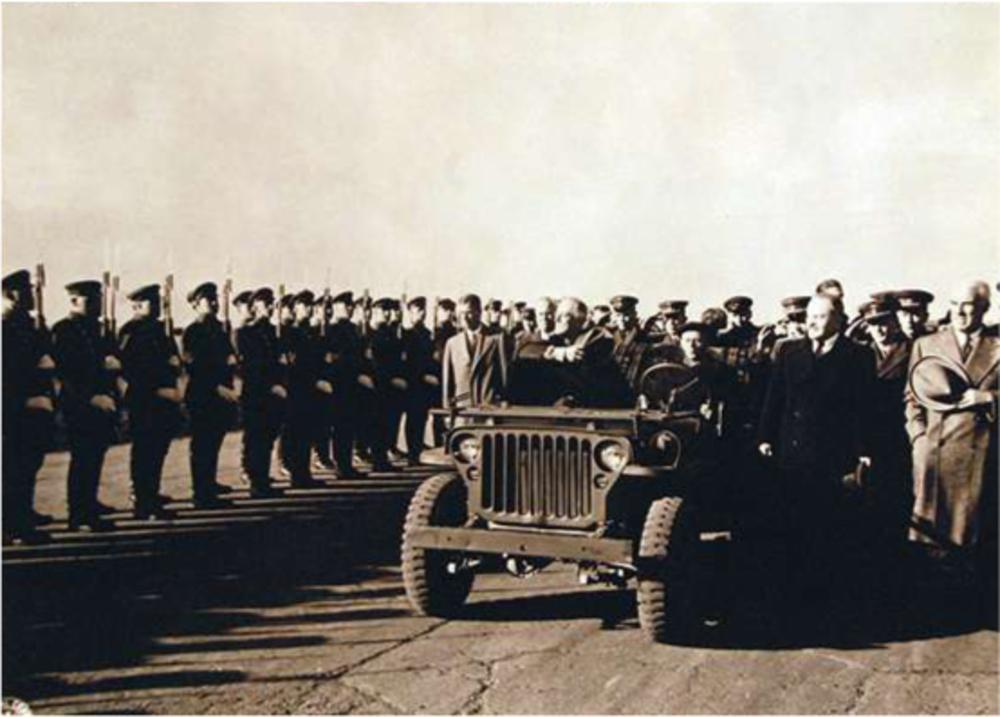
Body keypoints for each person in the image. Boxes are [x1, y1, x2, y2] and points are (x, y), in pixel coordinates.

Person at [757, 294, 875, 601]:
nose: (812, 322)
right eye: (810, 316)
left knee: (830, 523)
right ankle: (795, 591)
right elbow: (775, 397)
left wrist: (864, 450)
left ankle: (828, 593)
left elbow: (864, 407)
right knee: (793, 519)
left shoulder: (857, 355)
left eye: (820, 317)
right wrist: (765, 437)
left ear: (838, 319)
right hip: (792, 449)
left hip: (834, 453)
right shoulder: (789, 351)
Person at [905, 281, 997, 567]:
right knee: (931, 546)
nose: (959, 312)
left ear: (984, 309)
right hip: (935, 456)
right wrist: (919, 440)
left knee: (972, 549)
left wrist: (986, 397)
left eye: (968, 306)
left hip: (980, 459)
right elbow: (912, 399)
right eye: (955, 304)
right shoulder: (927, 344)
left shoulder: (996, 347)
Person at [51, 280, 121, 531]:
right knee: (83, 457)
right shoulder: (65, 329)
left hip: (102, 401)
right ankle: (79, 513)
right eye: (90, 300)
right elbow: (67, 371)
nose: (96, 305)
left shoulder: (97, 329)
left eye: (98, 300)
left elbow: (106, 363)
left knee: (95, 455)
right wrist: (89, 396)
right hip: (80, 403)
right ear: (74, 302)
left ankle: (88, 502)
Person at [118, 284, 183, 520]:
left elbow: (172, 360)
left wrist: (175, 365)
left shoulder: (160, 330)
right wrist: (156, 390)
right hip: (145, 401)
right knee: (145, 451)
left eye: (156, 302)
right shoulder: (131, 331)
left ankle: (151, 492)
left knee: (158, 450)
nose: (155, 306)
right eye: (148, 303)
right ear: (136, 306)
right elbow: (129, 369)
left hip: (164, 402)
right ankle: (142, 500)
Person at [2, 269, 55, 543]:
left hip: (33, 409)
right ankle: (13, 526)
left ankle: (22, 516)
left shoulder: (25, 325)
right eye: (28, 290)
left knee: (29, 464)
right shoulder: (5, 326)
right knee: (14, 468)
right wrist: (22, 400)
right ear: (12, 294)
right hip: (14, 411)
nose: (34, 295)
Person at [861, 296, 914, 555]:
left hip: (901, 434)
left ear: (895, 322)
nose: (879, 330)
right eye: (873, 324)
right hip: (869, 437)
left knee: (900, 498)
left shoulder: (913, 350)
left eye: (884, 323)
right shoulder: (860, 353)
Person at [182, 281, 239, 508]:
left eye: (215, 299)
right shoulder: (193, 331)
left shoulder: (219, 329)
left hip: (220, 394)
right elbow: (194, 366)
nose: (214, 303)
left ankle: (209, 482)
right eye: (209, 300)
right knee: (203, 444)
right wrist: (216, 386)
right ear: (196, 304)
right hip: (203, 394)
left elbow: (227, 356)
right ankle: (201, 493)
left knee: (214, 441)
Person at [513, 297, 628, 408]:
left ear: (580, 322)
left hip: (597, 413)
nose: (556, 320)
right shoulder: (558, 341)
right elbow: (525, 351)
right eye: (557, 315)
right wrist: (556, 353)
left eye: (563, 315)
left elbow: (586, 374)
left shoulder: (596, 338)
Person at [238, 287, 287, 498]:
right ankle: (257, 483)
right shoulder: (247, 333)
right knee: (256, 439)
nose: (270, 307)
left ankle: (262, 479)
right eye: (266, 304)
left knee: (267, 438)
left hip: (274, 396)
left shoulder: (273, 333)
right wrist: (271, 385)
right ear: (255, 307)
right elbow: (252, 368)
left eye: (271, 303)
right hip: (258, 395)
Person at [280, 290, 329, 488]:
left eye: (310, 305)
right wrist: (313, 381)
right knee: (296, 434)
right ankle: (297, 475)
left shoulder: (306, 333)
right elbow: (294, 367)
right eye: (303, 305)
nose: (309, 309)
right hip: (297, 391)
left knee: (306, 433)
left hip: (309, 392)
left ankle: (303, 473)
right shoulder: (289, 334)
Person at [322, 291, 365, 478]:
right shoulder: (329, 330)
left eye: (351, 306)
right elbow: (330, 360)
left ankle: (346, 464)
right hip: (338, 385)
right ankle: (341, 465)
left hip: (352, 385)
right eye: (345, 306)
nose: (349, 309)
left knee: (349, 426)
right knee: (339, 427)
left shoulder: (353, 329)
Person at [441, 293, 508, 408]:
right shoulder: (452, 344)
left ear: (479, 312)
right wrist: (448, 410)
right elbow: (448, 383)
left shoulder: (495, 339)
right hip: (462, 410)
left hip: (489, 410)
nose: (464, 318)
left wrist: (502, 402)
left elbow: (504, 376)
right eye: (461, 313)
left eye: (468, 313)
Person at [368, 298, 408, 468]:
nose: (388, 314)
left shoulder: (390, 333)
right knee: (379, 424)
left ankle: (383, 455)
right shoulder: (371, 335)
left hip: (393, 388)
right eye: (384, 310)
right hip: (380, 387)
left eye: (389, 310)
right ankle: (378, 458)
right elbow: (374, 364)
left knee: (389, 423)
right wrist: (391, 379)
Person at [402, 297, 437, 465]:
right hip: (415, 383)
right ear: (409, 312)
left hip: (426, 385)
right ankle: (412, 454)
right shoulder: (407, 335)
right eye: (417, 310)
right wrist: (422, 375)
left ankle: (417, 449)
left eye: (423, 310)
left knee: (421, 418)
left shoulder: (427, 334)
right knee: (414, 419)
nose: (421, 313)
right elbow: (408, 362)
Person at [609, 294, 652, 392]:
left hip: (636, 392)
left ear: (635, 314)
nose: (622, 319)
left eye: (627, 314)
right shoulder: (607, 337)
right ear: (613, 317)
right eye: (618, 315)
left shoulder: (645, 339)